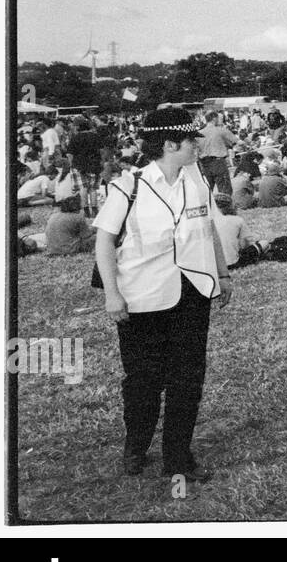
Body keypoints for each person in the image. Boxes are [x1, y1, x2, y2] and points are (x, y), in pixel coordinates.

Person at [92, 109, 233, 481]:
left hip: (193, 292)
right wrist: (112, 295)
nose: (197, 147)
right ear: (171, 145)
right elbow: (104, 243)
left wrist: (222, 273)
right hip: (142, 298)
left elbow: (210, 230)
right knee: (143, 380)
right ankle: (135, 447)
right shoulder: (128, 186)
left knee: (188, 380)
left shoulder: (197, 181)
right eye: (192, 141)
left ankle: (178, 457)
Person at [196, 112, 240, 197]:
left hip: (204, 164)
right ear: (214, 119)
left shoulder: (199, 133)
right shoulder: (221, 130)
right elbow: (238, 142)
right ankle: (225, 209)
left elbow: (196, 150)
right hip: (218, 162)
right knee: (224, 190)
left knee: (208, 190)